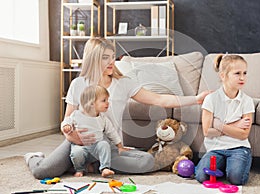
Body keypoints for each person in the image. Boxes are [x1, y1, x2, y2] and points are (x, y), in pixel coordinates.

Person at [25, 37, 210, 179]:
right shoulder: (78, 83)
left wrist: (196, 99)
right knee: (43, 171)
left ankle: (91, 165)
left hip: (109, 148)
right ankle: (35, 156)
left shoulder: (123, 83)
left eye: (112, 57)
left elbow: (160, 99)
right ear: (93, 59)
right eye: (105, 58)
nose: (111, 62)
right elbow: (66, 120)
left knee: (146, 161)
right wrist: (71, 136)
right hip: (78, 144)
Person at [194, 54, 254, 185]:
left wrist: (219, 125)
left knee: (236, 179)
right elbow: (207, 132)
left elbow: (243, 134)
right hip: (216, 149)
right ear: (223, 76)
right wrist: (235, 125)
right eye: (237, 73)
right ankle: (223, 166)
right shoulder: (211, 99)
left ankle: (231, 166)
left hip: (239, 147)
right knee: (201, 177)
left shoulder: (247, 101)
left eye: (245, 73)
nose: (242, 77)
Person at [62, 85, 127, 177]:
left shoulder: (103, 118)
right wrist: (66, 126)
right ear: (92, 103)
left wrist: (120, 146)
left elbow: (111, 132)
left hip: (96, 147)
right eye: (104, 100)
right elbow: (67, 120)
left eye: (107, 100)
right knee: (76, 153)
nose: (107, 103)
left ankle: (105, 168)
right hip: (80, 146)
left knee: (104, 144)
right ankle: (80, 169)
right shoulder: (77, 114)